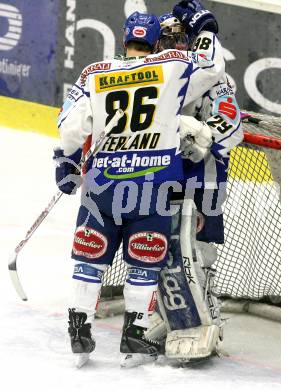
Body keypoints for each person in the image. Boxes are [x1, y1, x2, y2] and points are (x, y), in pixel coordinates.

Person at [54, 10, 224, 368]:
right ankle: (134, 334)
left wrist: (67, 162)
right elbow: (212, 67)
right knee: (144, 262)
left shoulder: (94, 73)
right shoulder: (174, 65)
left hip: (104, 187)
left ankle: (78, 331)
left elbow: (70, 128)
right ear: (156, 41)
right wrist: (205, 29)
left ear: (124, 39)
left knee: (90, 256)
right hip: (154, 187)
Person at [145, 1, 243, 362]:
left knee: (200, 249)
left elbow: (231, 124)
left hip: (205, 176)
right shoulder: (150, 75)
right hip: (160, 172)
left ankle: (207, 311)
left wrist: (201, 133)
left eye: (178, 38)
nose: (172, 45)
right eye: (165, 39)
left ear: (190, 41)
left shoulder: (215, 78)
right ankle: (165, 311)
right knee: (156, 242)